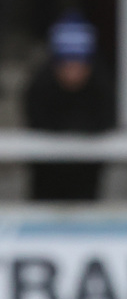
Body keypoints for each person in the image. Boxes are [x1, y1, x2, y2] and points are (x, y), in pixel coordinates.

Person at [23, 11, 116, 201]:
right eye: (66, 63)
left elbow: (107, 120)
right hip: (45, 183)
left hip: (87, 183)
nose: (72, 72)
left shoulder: (102, 88)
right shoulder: (39, 88)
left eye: (79, 63)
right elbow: (38, 121)